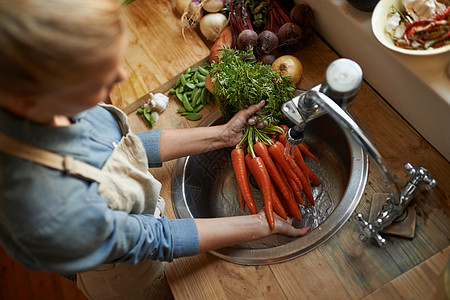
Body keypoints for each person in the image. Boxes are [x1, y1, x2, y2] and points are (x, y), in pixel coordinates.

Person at [0, 0, 309, 299]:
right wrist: (261, 223)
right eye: (96, 76)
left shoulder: (48, 100)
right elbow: (151, 238)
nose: (120, 76)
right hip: (127, 275)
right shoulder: (44, 208)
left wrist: (224, 135)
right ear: (35, 97)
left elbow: (124, 147)